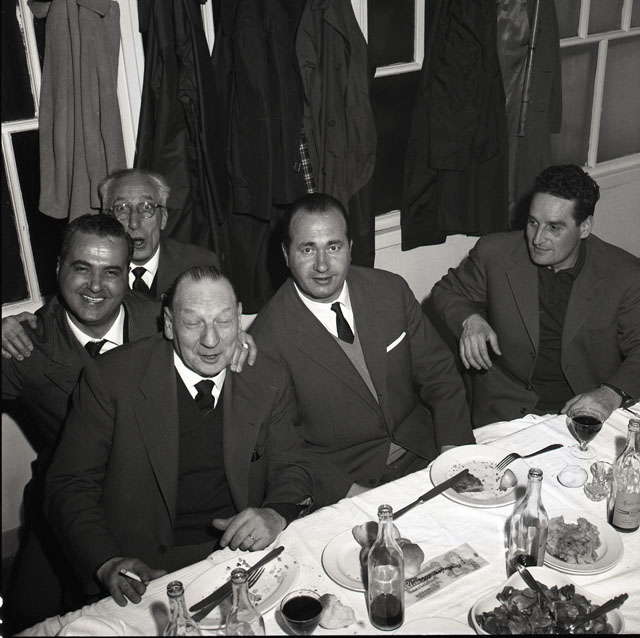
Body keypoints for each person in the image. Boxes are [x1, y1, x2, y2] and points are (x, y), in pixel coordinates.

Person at [44, 266, 314, 607]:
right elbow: (69, 484)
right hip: (144, 568)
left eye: (223, 321)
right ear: (170, 324)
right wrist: (106, 561)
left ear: (239, 318)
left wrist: (275, 514)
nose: (211, 340)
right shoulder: (111, 379)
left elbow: (293, 465)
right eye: (193, 323)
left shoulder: (266, 376)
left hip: (242, 556)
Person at [250, 193, 474, 508]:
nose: (322, 265)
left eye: (333, 247)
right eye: (308, 249)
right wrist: (351, 495)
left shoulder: (390, 291)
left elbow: (440, 375)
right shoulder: (266, 338)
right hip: (350, 485)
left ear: (350, 247)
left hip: (426, 452)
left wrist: (453, 450)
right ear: (286, 254)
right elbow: (285, 446)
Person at [2, 214, 159, 628]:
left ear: (128, 275)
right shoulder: (26, 345)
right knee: (31, 615)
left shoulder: (163, 324)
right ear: (58, 268)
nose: (95, 286)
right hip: (68, 495)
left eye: (111, 272)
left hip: (153, 491)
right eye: (82, 268)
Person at [430, 164, 640, 427]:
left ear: (585, 227)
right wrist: (469, 320)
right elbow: (447, 291)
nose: (538, 238)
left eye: (554, 227)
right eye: (533, 223)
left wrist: (610, 394)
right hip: (504, 411)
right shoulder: (495, 253)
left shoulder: (624, 274)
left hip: (584, 410)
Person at [98, 167, 220, 298]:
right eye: (122, 209)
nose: (134, 223)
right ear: (107, 219)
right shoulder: (94, 272)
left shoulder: (199, 265)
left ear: (163, 218)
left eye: (146, 208)